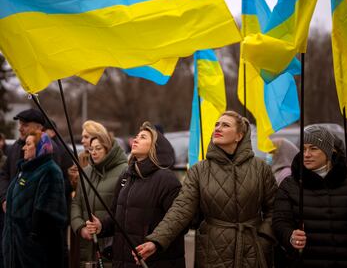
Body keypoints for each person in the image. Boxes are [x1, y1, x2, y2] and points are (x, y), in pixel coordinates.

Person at [132, 111, 277, 268]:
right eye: (217, 124)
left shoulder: (260, 168)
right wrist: (156, 240)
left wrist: (264, 238)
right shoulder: (199, 170)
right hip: (212, 252)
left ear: (239, 136)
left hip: (253, 250)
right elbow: (181, 209)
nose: (218, 128)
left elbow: (275, 209)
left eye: (225, 125)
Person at [85, 121, 185, 268]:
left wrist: (155, 243)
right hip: (122, 261)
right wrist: (101, 226)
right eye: (136, 136)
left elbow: (179, 225)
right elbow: (116, 216)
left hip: (155, 262)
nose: (136, 139)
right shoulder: (126, 176)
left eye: (143, 137)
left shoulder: (167, 180)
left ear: (155, 146)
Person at [273, 125, 347, 268]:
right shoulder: (290, 185)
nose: (306, 154)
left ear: (329, 152)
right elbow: (280, 222)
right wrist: (290, 236)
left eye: (313, 148)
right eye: (304, 148)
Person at [3, 131, 67, 268]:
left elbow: (49, 215)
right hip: (16, 248)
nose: (23, 148)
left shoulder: (50, 171)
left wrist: (31, 239)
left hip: (33, 253)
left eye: (28, 144)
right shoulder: (25, 170)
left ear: (40, 147)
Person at [71, 122, 128, 267]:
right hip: (86, 246)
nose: (93, 152)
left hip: (109, 246)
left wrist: (103, 226)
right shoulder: (86, 171)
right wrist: (80, 227)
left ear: (108, 149)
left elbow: (124, 210)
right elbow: (76, 203)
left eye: (98, 148)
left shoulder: (124, 171)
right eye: (91, 149)